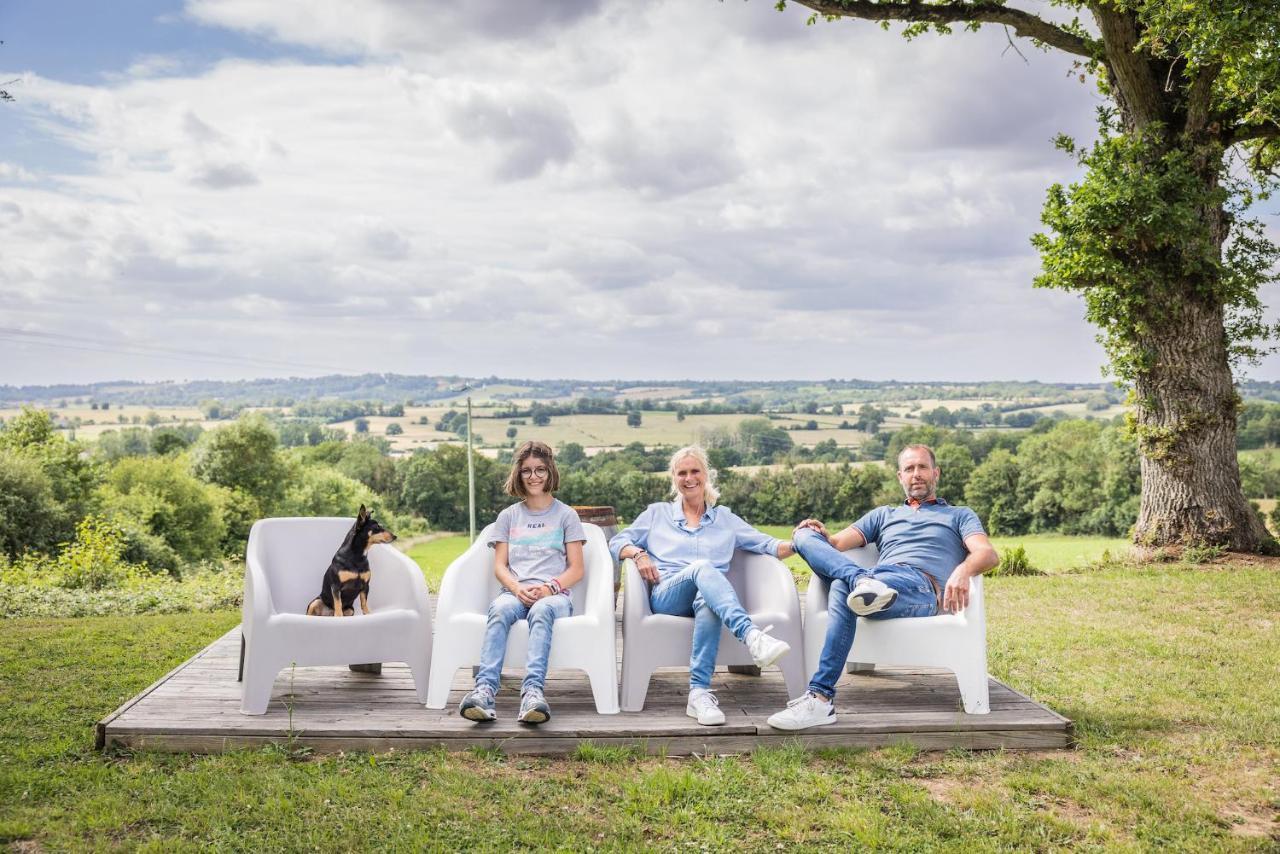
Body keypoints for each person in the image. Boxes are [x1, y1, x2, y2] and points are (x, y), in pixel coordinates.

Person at [767, 443, 999, 731]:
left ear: (935, 473)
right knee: (805, 536)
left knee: (843, 582)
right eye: (909, 469)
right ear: (900, 476)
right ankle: (860, 585)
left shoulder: (959, 515)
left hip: (920, 586)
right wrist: (814, 534)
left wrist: (964, 569)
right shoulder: (883, 515)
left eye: (922, 467)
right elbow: (834, 546)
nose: (916, 474)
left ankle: (820, 698)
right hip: (874, 582)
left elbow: (987, 554)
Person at [610, 445, 796, 726]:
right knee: (702, 567)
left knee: (707, 603)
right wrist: (638, 554)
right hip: (667, 595)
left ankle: (698, 694)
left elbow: (768, 544)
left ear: (706, 475)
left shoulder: (725, 519)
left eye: (695, 471)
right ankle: (752, 636)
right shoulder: (657, 514)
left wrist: (802, 540)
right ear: (674, 478)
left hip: (707, 599)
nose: (689, 478)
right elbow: (615, 542)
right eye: (681, 473)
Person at [458, 441, 585, 725]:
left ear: (550, 472)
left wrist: (548, 588)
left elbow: (576, 569)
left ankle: (532, 693)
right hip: (515, 591)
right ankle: (485, 691)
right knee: (500, 609)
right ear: (519, 474)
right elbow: (500, 566)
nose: (534, 476)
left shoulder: (567, 515)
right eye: (527, 470)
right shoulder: (508, 516)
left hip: (555, 596)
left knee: (542, 611)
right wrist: (517, 588)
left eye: (540, 469)